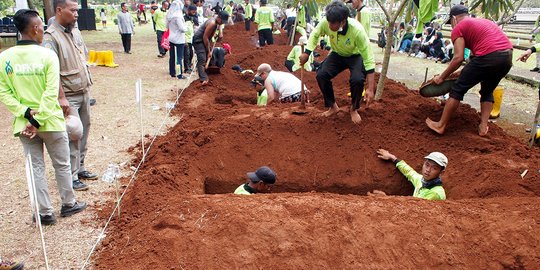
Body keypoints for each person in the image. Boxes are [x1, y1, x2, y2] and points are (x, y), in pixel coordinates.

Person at [0, 9, 87, 225]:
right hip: (50, 122)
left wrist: (26, 115)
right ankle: (68, 203)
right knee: (62, 164)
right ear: (36, 28)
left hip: (24, 125)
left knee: (35, 167)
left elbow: (4, 92)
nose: (43, 30)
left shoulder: (4, 58)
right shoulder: (48, 56)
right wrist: (38, 120)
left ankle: (44, 213)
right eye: (41, 26)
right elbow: (51, 94)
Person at [426, 5, 513, 136]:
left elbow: (458, 58)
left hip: (488, 56)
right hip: (506, 56)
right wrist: (461, 72)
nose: (452, 26)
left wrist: (441, 77)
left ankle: (440, 125)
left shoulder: (459, 27)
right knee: (487, 90)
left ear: (454, 18)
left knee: (457, 89)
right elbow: (475, 61)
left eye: (451, 23)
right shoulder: (483, 22)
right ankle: (483, 127)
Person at [43, 0, 99, 191]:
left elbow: (82, 56)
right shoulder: (51, 37)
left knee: (84, 130)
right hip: (68, 94)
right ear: (59, 10)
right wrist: (61, 97)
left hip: (83, 90)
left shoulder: (75, 31)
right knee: (74, 134)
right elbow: (51, 71)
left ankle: (80, 167)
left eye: (77, 10)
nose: (76, 14)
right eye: (72, 10)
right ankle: (72, 175)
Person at [300, 0, 375, 124]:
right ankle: (333, 106)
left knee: (357, 80)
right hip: (337, 54)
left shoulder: (357, 31)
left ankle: (354, 108)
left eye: (333, 23)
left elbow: (368, 58)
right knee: (321, 74)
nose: (329, 26)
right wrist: (307, 53)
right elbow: (315, 34)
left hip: (356, 56)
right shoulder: (327, 22)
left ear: (343, 22)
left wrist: (370, 89)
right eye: (329, 21)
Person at [376, 149, 447, 200]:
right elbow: (409, 172)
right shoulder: (421, 180)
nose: (428, 170)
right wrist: (392, 157)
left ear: (441, 172)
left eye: (434, 168)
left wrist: (387, 199)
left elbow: (414, 207)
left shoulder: (436, 193)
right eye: (427, 165)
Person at [192, 10, 228, 85]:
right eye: (222, 21)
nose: (222, 23)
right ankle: (203, 79)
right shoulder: (212, 23)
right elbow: (205, 37)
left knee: (211, 56)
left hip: (204, 40)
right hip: (198, 41)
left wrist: (220, 32)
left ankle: (209, 72)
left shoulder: (217, 21)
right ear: (219, 17)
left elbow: (220, 25)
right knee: (202, 59)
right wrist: (208, 51)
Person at [166, 0, 187, 79]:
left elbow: (167, 26)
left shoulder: (169, 15)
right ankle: (179, 74)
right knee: (179, 58)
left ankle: (172, 72)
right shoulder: (178, 16)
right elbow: (182, 28)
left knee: (172, 56)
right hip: (179, 39)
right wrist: (187, 27)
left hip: (171, 37)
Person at [184, 5, 197, 73]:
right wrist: (184, 40)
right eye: (193, 11)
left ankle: (189, 66)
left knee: (191, 54)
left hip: (191, 39)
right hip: (185, 39)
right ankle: (186, 68)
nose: (194, 13)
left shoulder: (192, 18)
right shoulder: (184, 18)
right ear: (188, 10)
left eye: (195, 12)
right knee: (187, 54)